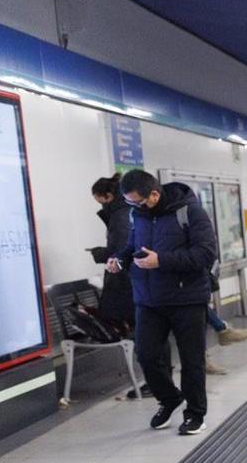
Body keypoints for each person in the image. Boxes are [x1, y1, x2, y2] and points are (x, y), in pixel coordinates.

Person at [107, 169, 218, 435]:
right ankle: (169, 399)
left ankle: (195, 414)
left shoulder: (190, 213)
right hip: (149, 299)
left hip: (187, 298)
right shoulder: (139, 216)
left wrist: (162, 261)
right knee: (145, 354)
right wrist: (119, 259)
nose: (134, 208)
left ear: (154, 194)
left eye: (138, 202)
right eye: (130, 203)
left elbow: (206, 254)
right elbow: (133, 244)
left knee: (191, 360)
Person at [88, 175, 135, 334]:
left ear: (108, 196)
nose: (102, 207)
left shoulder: (120, 215)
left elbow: (121, 248)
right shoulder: (128, 209)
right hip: (130, 273)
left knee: (117, 313)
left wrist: (99, 253)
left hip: (123, 275)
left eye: (101, 202)